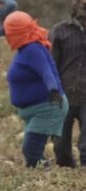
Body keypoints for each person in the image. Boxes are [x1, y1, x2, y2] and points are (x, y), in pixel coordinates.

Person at [4, 11, 69, 168]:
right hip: (36, 109)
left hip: (47, 107)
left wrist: (53, 89)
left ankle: (44, 180)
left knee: (31, 149)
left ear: (17, 33)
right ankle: (37, 180)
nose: (7, 37)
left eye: (9, 33)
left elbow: (46, 71)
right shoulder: (26, 48)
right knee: (32, 150)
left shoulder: (33, 49)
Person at [50, 0, 86, 168]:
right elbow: (51, 64)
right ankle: (67, 171)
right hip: (64, 95)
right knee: (60, 146)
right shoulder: (60, 30)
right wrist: (52, 91)